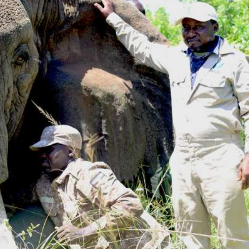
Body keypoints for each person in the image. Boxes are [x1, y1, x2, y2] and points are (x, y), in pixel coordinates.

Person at [94, 1, 249, 248]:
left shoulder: (235, 62)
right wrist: (113, 18)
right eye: (186, 28)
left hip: (221, 155)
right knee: (189, 233)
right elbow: (141, 47)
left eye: (198, 27)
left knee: (232, 232)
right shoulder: (176, 57)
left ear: (214, 27)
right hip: (184, 158)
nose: (190, 33)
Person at [31, 125, 171, 249]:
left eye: (49, 149)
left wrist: (84, 232)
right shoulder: (45, 184)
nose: (43, 155)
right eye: (40, 151)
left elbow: (130, 203)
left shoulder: (87, 174)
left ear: (71, 150)